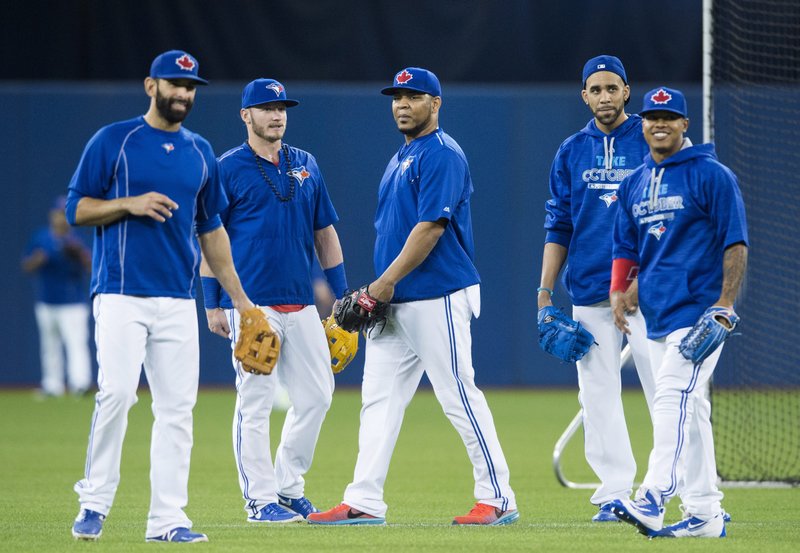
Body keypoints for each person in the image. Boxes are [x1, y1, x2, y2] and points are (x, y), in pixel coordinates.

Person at [309, 67, 518, 526]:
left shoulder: (441, 155)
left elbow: (430, 230)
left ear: (436, 103)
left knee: (458, 395)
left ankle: (498, 497)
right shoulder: (403, 156)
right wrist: (381, 288)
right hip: (396, 301)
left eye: (414, 96)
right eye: (397, 97)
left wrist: (380, 285)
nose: (403, 104)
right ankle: (363, 500)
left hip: (436, 293)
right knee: (378, 400)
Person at [65, 50, 258, 544]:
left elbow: (212, 231)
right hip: (120, 293)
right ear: (151, 86)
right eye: (175, 84)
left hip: (177, 299)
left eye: (190, 86)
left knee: (177, 410)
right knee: (116, 394)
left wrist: (241, 301)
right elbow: (77, 209)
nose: (183, 93)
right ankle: (94, 503)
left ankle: (168, 519)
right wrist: (129, 203)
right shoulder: (115, 140)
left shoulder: (199, 152)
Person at [200, 78, 349, 523]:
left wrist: (341, 300)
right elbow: (210, 237)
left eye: (281, 106)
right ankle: (260, 500)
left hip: (301, 302)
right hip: (251, 305)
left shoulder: (306, 164)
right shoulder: (227, 167)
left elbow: (325, 233)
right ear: (246, 115)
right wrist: (212, 302)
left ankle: (286, 486)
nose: (277, 114)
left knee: (318, 396)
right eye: (266, 107)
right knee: (256, 400)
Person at [609, 86, 748, 538]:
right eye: (652, 117)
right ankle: (706, 513)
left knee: (672, 395)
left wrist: (725, 303)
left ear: (685, 124)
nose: (659, 124)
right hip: (655, 314)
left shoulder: (711, 175)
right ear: (643, 124)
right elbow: (627, 245)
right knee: (691, 409)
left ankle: (653, 496)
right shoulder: (633, 182)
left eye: (669, 117)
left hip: (700, 312)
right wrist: (621, 289)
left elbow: (736, 242)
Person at [537, 55, 655, 522]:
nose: (604, 96)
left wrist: (644, 280)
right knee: (597, 394)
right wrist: (545, 293)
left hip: (647, 295)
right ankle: (614, 492)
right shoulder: (571, 150)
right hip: (588, 290)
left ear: (627, 91)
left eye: (613, 88)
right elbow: (558, 224)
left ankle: (676, 487)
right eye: (596, 89)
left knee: (665, 388)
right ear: (584, 95)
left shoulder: (652, 137)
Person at [22, 195, 93, 397]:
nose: (61, 218)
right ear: (52, 215)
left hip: (73, 303)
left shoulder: (77, 238)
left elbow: (91, 267)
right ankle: (52, 384)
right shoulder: (41, 238)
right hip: (47, 301)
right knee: (49, 345)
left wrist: (79, 253)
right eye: (58, 214)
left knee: (76, 344)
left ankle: (80, 383)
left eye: (64, 214)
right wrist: (38, 259)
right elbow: (27, 266)